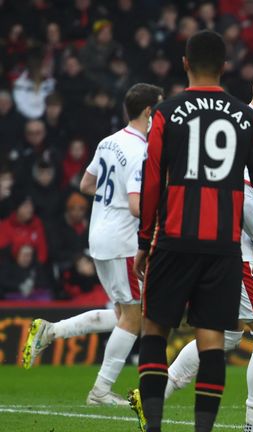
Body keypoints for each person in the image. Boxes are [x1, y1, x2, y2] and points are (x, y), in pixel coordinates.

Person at [129, 31, 253, 432]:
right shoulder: (245, 117)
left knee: (155, 332)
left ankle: (155, 427)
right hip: (224, 247)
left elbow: (153, 179)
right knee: (213, 340)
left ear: (184, 63)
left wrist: (145, 241)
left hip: (174, 239)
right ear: (225, 67)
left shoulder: (165, 112)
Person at [163, 59, 253, 432]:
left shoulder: (229, 121)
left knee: (229, 333)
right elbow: (248, 196)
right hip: (236, 245)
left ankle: (158, 388)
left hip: (201, 234)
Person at [21, 83, 164, 406]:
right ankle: (100, 390)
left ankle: (51, 331)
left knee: (122, 313)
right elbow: (135, 205)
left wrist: (110, 198)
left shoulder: (109, 142)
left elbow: (86, 184)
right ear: (148, 112)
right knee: (134, 317)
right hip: (124, 241)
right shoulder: (141, 150)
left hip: (99, 235)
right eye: (160, 108)